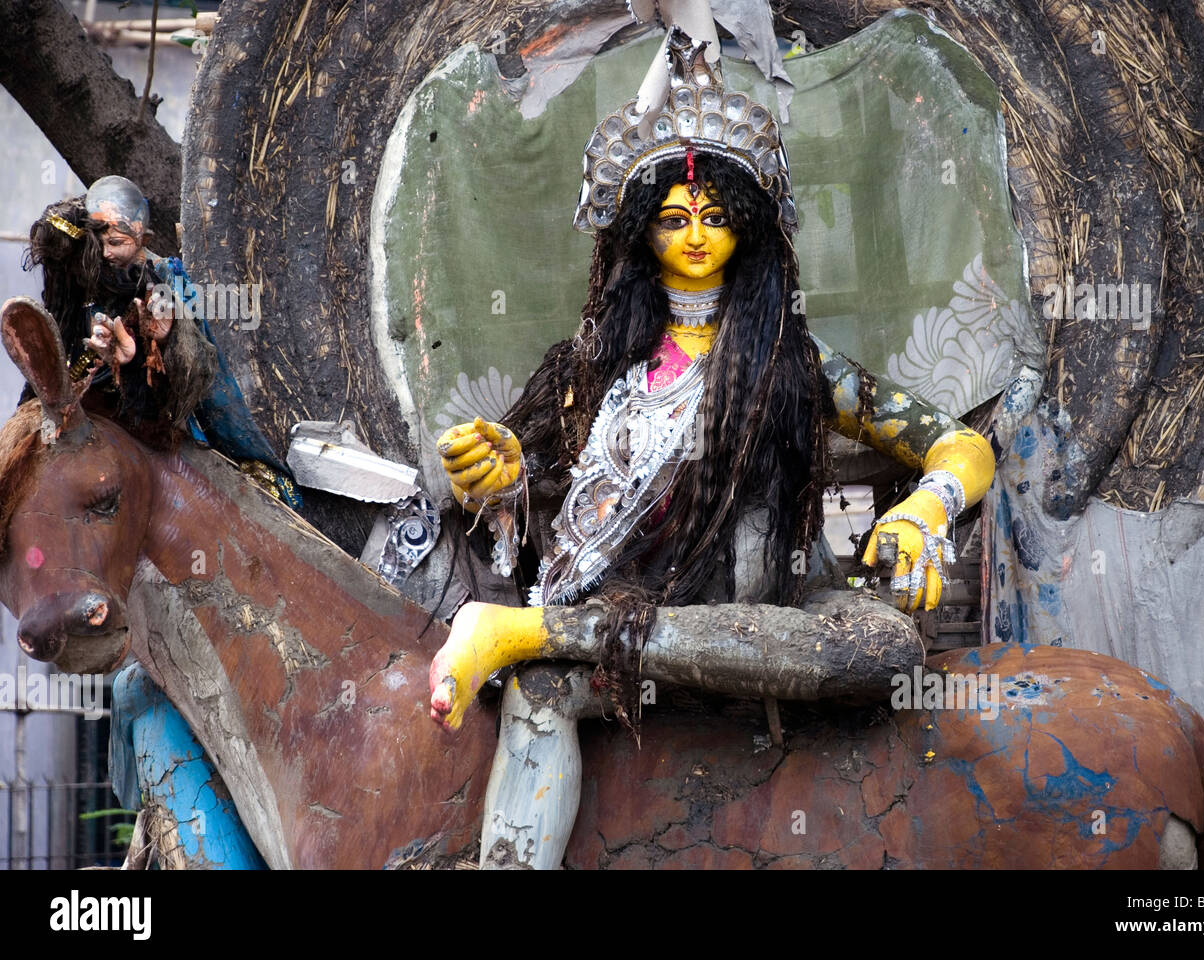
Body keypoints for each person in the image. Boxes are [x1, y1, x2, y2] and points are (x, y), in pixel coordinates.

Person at [428, 29, 996, 868]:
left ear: (751, 230)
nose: (695, 236)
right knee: (539, 696)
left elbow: (958, 445)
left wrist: (926, 506)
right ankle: (528, 642)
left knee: (885, 651)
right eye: (672, 219)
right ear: (638, 234)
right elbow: (545, 464)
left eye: (716, 216)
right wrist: (503, 468)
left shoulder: (792, 363)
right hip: (624, 613)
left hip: (769, 618)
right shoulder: (595, 359)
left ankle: (529, 630)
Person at [24, 176, 299, 506]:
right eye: (100, 245)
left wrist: (166, 339)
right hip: (90, 408)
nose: (107, 253)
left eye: (116, 242)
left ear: (141, 234)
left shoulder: (164, 276)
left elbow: (202, 367)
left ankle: (259, 471)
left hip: (153, 412)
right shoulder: (90, 270)